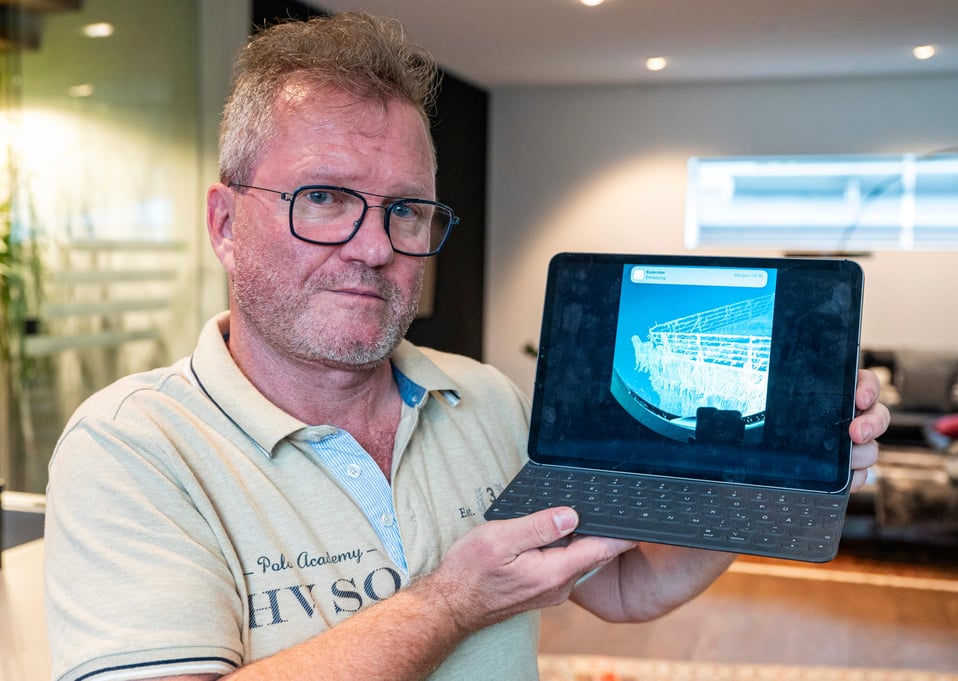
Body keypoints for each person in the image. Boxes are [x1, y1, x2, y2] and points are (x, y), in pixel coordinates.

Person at [43, 12, 889, 681]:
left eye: (405, 210)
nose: (373, 247)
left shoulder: (481, 399)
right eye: (326, 198)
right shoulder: (132, 447)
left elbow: (627, 585)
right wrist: (451, 602)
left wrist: (771, 475)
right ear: (226, 223)